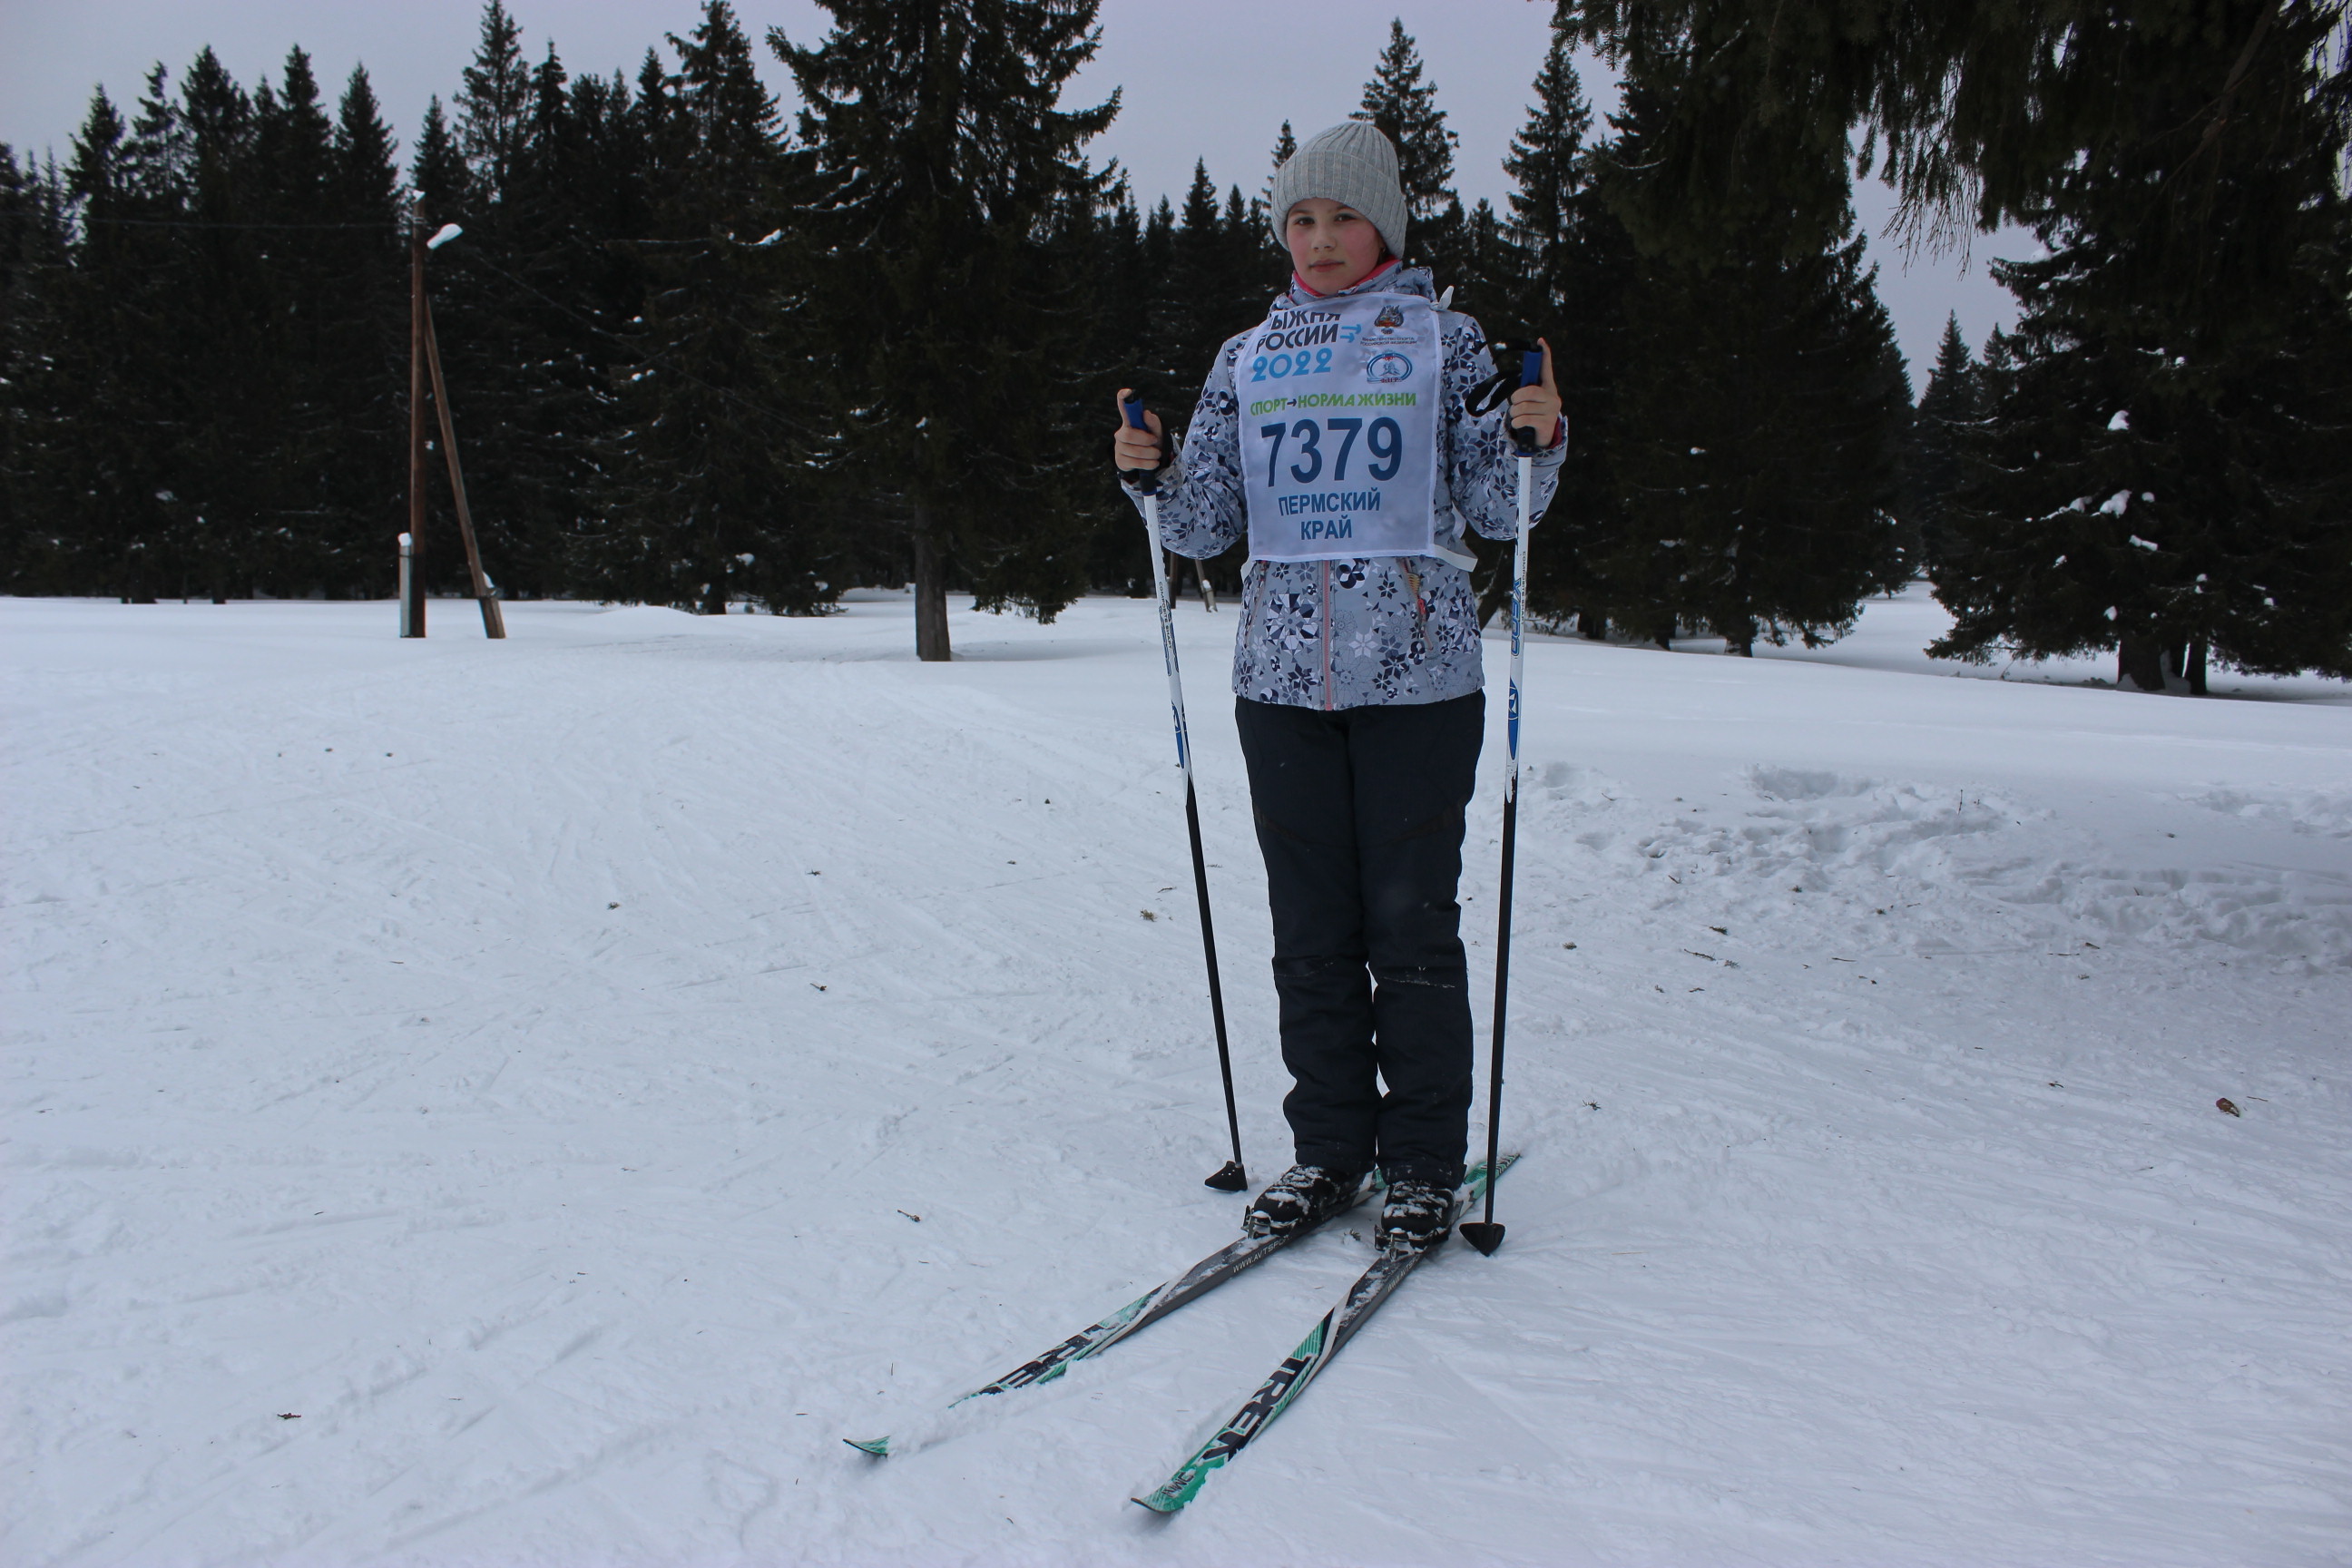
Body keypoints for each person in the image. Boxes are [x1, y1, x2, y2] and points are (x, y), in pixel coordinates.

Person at [1110, 122, 1564, 1252]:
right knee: (1310, 930)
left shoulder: (1447, 344)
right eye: (1300, 220)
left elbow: (1504, 515)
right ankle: (1328, 1152)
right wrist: (1150, 475)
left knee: (1409, 928)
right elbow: (1208, 525)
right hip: (1277, 684)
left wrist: (1537, 440)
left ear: (1386, 229)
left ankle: (1418, 1163)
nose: (1319, 240)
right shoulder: (1247, 358)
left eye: (1342, 218)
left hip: (1417, 683)